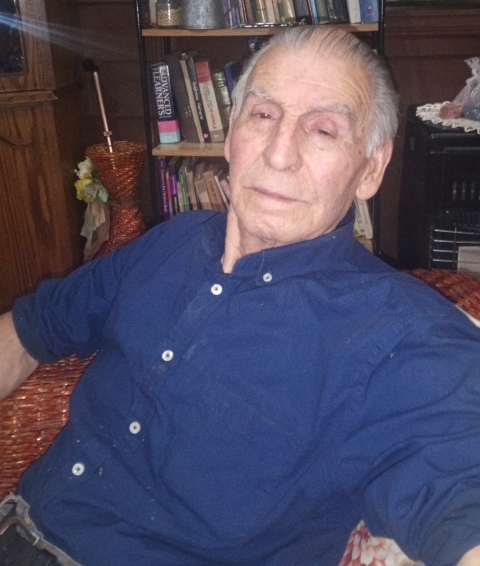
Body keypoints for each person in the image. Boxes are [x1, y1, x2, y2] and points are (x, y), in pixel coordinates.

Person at [1, 25, 480, 566]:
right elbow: (29, 329)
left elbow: (459, 491)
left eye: (323, 130)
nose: (279, 154)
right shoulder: (168, 243)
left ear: (371, 169)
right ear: (231, 135)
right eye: (263, 115)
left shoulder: (401, 333)